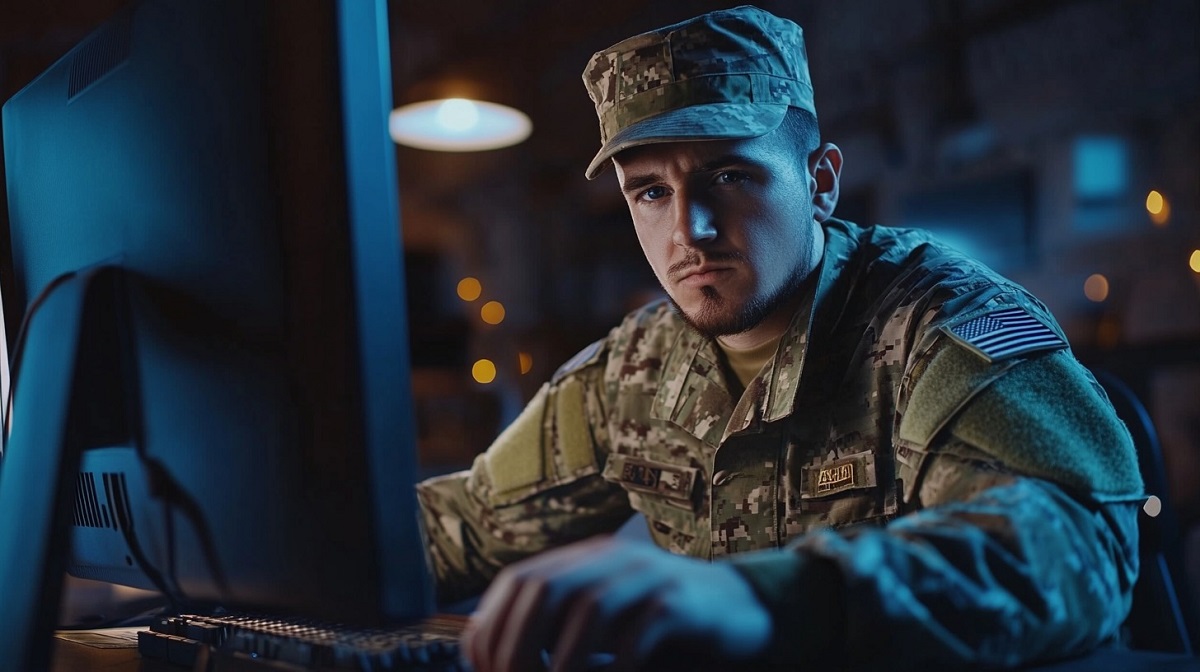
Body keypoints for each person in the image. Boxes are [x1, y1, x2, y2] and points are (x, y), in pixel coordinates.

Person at [415, 6, 1144, 670]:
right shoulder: (633, 369)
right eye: (650, 192)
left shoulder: (939, 322)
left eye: (729, 175)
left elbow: (1077, 542)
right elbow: (469, 524)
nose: (688, 231)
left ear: (820, 181)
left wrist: (762, 598)